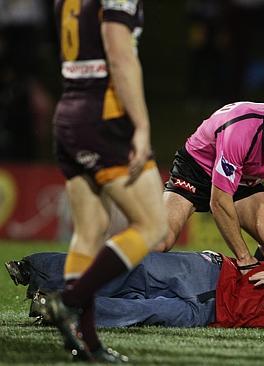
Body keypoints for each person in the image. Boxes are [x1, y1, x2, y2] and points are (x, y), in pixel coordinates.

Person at [40, 0, 168, 362]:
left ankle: (87, 343)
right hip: (104, 116)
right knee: (152, 226)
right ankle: (67, 301)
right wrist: (141, 126)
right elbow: (119, 54)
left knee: (90, 229)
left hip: (70, 111)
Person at [7, 230, 264, 331]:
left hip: (217, 314)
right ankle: (36, 268)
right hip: (214, 272)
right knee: (133, 268)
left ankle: (57, 307)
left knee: (141, 312)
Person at [160, 94, 264, 271]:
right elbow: (219, 201)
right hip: (195, 172)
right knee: (161, 241)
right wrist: (244, 258)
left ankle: (254, 291)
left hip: (244, 180)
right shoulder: (240, 133)